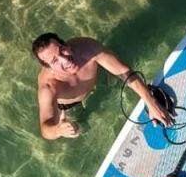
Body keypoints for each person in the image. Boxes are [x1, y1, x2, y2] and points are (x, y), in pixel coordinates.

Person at [31, 33, 173, 140]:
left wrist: (151, 103)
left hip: (95, 79)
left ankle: (105, 73)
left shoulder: (88, 48)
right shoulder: (49, 87)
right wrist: (59, 130)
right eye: (55, 60)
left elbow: (125, 72)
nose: (65, 59)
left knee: (115, 72)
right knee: (78, 127)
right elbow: (45, 128)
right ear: (49, 68)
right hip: (70, 104)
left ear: (67, 44)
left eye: (62, 50)